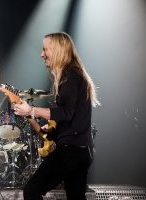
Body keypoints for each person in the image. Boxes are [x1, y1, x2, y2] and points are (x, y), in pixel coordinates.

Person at [13, 32, 100, 200]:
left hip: (71, 152)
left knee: (31, 191)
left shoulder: (70, 75)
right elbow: (70, 118)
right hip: (82, 151)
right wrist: (39, 122)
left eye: (45, 49)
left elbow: (66, 113)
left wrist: (32, 110)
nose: (41, 54)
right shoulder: (73, 75)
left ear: (59, 50)